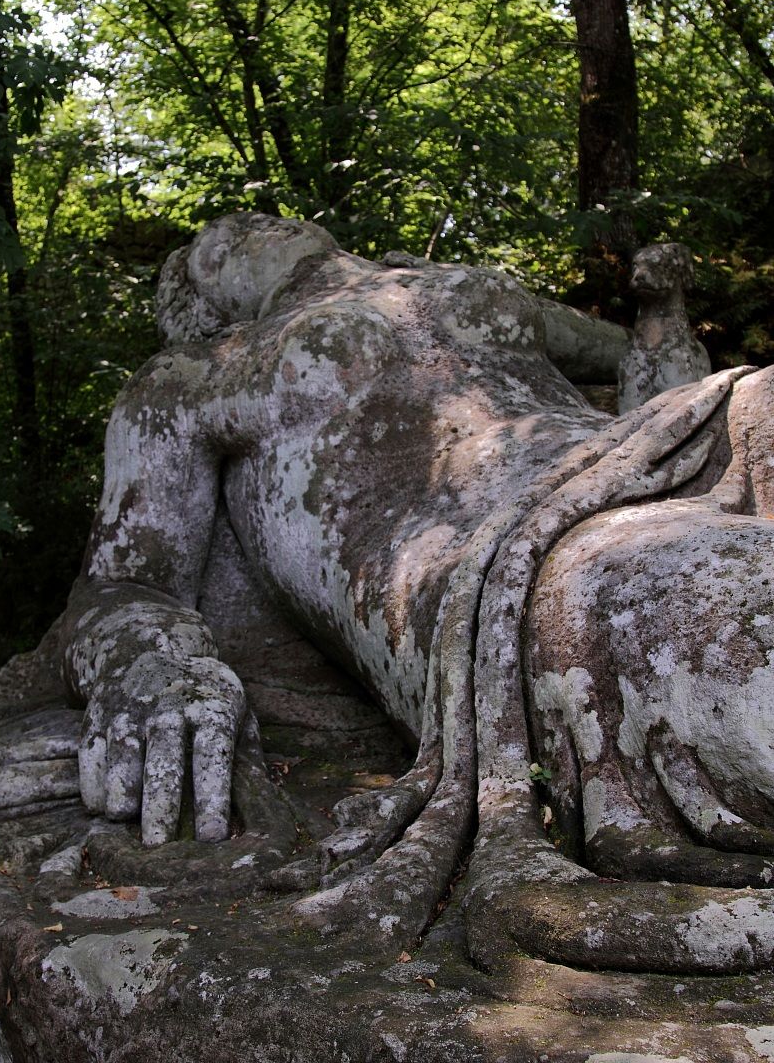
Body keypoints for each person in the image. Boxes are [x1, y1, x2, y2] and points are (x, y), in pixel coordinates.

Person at [52, 213, 774, 967]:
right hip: (515, 545)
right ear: (203, 303)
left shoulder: (440, 285)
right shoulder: (191, 378)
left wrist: (660, 314)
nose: (250, 226)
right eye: (217, 242)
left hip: (664, 443)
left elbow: (639, 361)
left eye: (255, 217)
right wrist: (149, 663)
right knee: (701, 605)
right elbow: (122, 581)